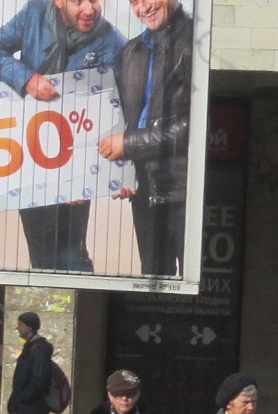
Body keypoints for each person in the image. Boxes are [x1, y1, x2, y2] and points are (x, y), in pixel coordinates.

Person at [0, 0, 126, 272]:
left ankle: (83, 296)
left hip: (77, 161)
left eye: (95, 0)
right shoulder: (34, 13)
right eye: (78, 1)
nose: (89, 10)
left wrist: (87, 176)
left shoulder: (113, 42)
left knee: (71, 254)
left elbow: (117, 111)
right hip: (32, 158)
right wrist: (26, 79)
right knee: (41, 254)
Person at [98, 0, 193, 277]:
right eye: (134, 2)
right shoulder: (131, 51)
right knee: (152, 283)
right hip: (143, 189)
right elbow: (121, 118)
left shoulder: (196, 43)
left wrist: (128, 144)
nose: (143, 7)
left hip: (183, 190)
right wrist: (121, 175)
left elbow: (195, 126)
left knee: (197, 283)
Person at [5, 311, 53, 414]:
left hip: (33, 408)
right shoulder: (32, 347)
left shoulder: (38, 348)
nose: (17, 328)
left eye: (20, 324)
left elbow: (40, 378)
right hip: (30, 408)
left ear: (29, 327)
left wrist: (24, 397)